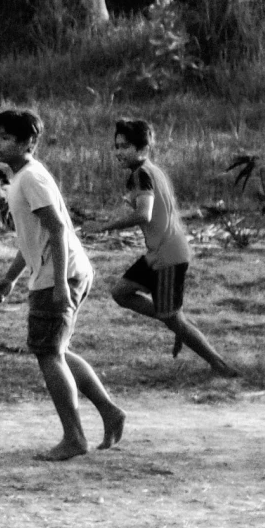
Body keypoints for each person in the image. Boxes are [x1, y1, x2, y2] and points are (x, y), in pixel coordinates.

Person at [0, 109, 126, 458]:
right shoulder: (21, 178)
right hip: (57, 273)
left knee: (48, 354)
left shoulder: (30, 178)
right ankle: (109, 412)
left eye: (7, 138)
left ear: (29, 142)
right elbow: (33, 238)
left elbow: (58, 228)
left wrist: (59, 282)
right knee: (54, 350)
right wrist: (11, 278)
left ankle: (74, 438)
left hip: (59, 276)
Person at [98, 118, 239, 378]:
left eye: (124, 147)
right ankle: (174, 319)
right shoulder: (151, 171)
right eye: (116, 147)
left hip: (168, 255)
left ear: (143, 148)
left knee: (170, 316)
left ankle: (220, 366)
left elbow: (144, 214)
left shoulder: (142, 174)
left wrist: (105, 226)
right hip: (159, 252)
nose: (118, 152)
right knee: (121, 292)